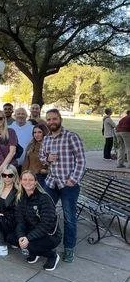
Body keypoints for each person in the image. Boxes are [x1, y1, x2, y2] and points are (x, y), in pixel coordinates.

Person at [39, 108, 86, 263]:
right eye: (49, 119)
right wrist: (47, 158)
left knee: (69, 218)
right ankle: (48, 244)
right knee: (46, 214)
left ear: (60, 119)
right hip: (52, 183)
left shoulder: (71, 137)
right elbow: (41, 157)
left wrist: (73, 179)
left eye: (54, 119)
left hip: (68, 185)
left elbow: (81, 161)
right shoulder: (46, 139)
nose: (51, 122)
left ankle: (69, 248)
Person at [15, 171, 61, 271]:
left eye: (31, 179)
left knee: (29, 245)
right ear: (21, 182)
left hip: (50, 235)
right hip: (32, 231)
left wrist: (28, 238)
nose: (27, 182)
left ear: (36, 182)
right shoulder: (20, 198)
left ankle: (52, 255)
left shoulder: (44, 198)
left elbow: (46, 224)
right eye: (25, 179)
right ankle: (35, 252)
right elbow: (20, 221)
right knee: (13, 238)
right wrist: (21, 236)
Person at [22, 124, 49, 188]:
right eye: (35, 132)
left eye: (39, 132)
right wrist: (23, 176)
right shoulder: (31, 145)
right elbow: (25, 163)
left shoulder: (49, 146)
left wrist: (46, 171)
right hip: (30, 177)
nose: (36, 135)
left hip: (43, 178)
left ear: (44, 133)